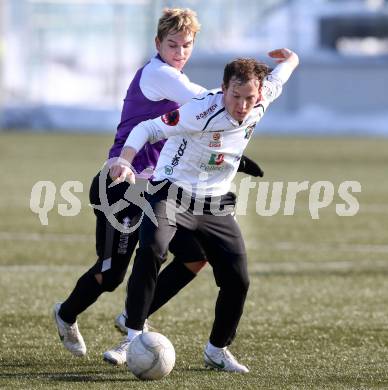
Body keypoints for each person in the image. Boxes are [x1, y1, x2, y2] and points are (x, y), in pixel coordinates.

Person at [53, 8, 262, 360]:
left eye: (187, 45)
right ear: (157, 44)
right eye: (172, 44)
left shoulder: (174, 74)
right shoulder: (160, 74)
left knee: (195, 258)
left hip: (157, 189)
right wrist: (249, 97)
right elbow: (212, 105)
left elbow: (204, 128)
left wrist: (231, 155)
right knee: (112, 274)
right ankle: (66, 313)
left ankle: (133, 322)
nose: (180, 52)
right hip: (122, 183)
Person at [106, 48, 299, 373]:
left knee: (237, 280)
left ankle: (217, 350)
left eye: (248, 97)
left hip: (215, 200)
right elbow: (147, 129)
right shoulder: (201, 109)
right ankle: (133, 335)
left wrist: (291, 59)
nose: (241, 105)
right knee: (153, 249)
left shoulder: (262, 97)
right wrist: (125, 160)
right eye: (235, 96)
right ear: (223, 89)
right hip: (171, 189)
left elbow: (281, 75)